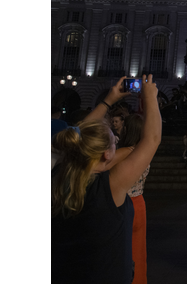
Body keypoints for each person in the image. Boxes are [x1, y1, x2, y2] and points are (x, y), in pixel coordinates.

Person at [52, 75, 161, 284]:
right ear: (107, 155)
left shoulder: (58, 174)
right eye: (113, 142)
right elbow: (152, 139)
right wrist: (150, 98)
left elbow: (81, 133)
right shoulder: (110, 186)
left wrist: (108, 100)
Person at [118, 114, 150, 284]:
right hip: (139, 202)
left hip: (123, 203)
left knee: (122, 250)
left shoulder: (122, 153)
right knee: (138, 249)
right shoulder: (144, 153)